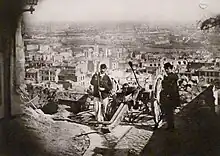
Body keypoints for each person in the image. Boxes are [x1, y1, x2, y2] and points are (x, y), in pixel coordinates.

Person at [160, 62, 180, 130]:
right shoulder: (173, 76)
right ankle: (170, 126)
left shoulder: (170, 77)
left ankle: (171, 126)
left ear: (169, 68)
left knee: (169, 112)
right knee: (169, 112)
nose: (166, 71)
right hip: (172, 97)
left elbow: (165, 85)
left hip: (170, 97)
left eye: (166, 69)